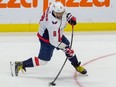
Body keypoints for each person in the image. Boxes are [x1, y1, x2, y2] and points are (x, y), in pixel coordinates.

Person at [13, 1, 87, 76]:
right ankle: (20, 64)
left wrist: (69, 16)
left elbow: (63, 11)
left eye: (62, 12)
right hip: (47, 39)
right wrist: (65, 49)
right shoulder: (53, 24)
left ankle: (77, 66)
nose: (61, 14)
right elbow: (54, 42)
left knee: (69, 48)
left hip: (57, 34)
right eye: (59, 13)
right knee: (43, 61)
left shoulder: (54, 7)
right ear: (54, 12)